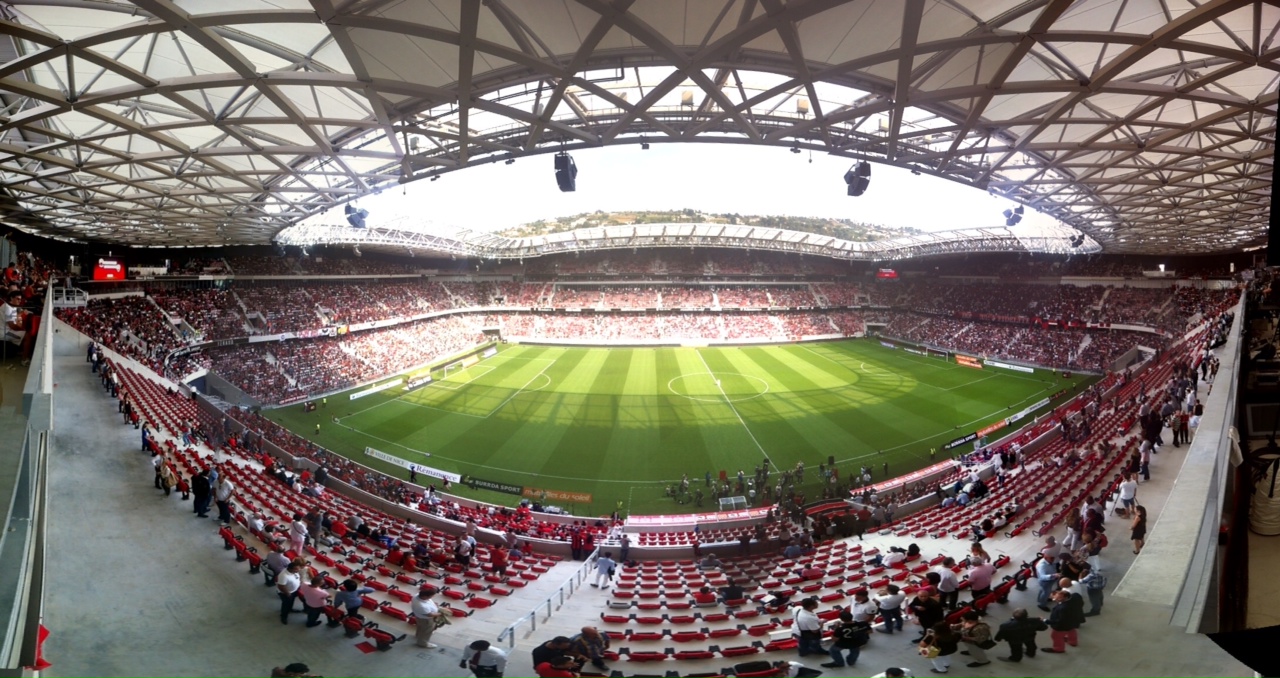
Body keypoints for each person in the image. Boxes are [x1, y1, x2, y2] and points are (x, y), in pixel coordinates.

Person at [1042, 589, 1084, 654]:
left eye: (1058, 598)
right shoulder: (1074, 597)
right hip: (1072, 621)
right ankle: (1073, 642)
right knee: (1071, 631)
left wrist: (1046, 621)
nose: (1055, 598)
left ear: (1065, 597)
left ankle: (1058, 649)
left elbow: (1060, 620)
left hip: (1062, 626)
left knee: (1055, 636)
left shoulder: (1063, 608)